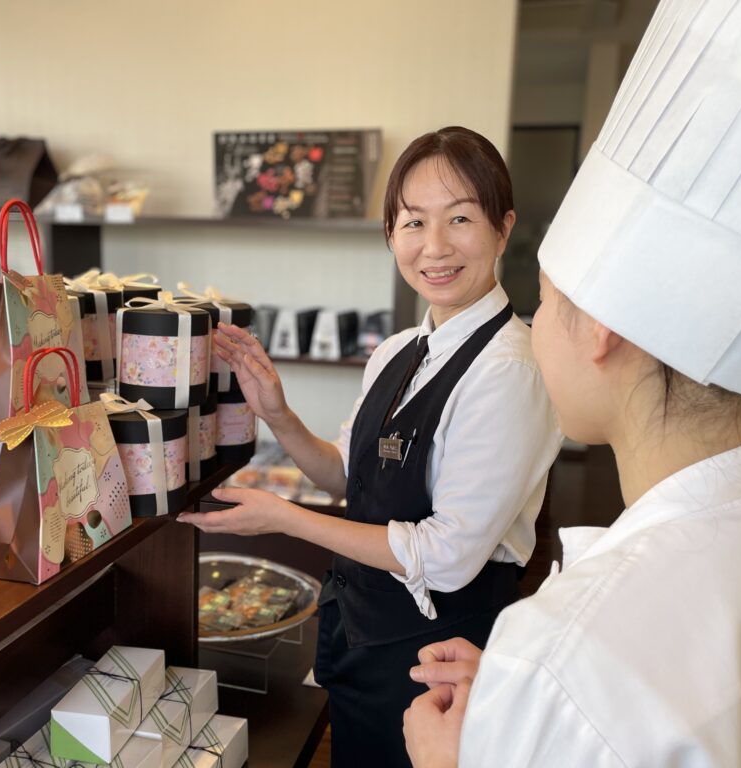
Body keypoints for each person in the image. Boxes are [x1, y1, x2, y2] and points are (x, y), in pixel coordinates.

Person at [403, 0, 741, 765]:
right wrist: (521, 701)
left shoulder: (565, 655)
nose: (536, 325)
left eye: (546, 303)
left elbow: (592, 694)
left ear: (602, 329)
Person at [178, 126, 560, 767]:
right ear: (391, 234)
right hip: (364, 640)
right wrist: (278, 414)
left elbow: (445, 557)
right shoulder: (398, 352)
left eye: (459, 218)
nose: (434, 247)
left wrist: (285, 519)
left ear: (503, 228)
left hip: (439, 661)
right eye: (413, 223)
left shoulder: (510, 370)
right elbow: (344, 477)